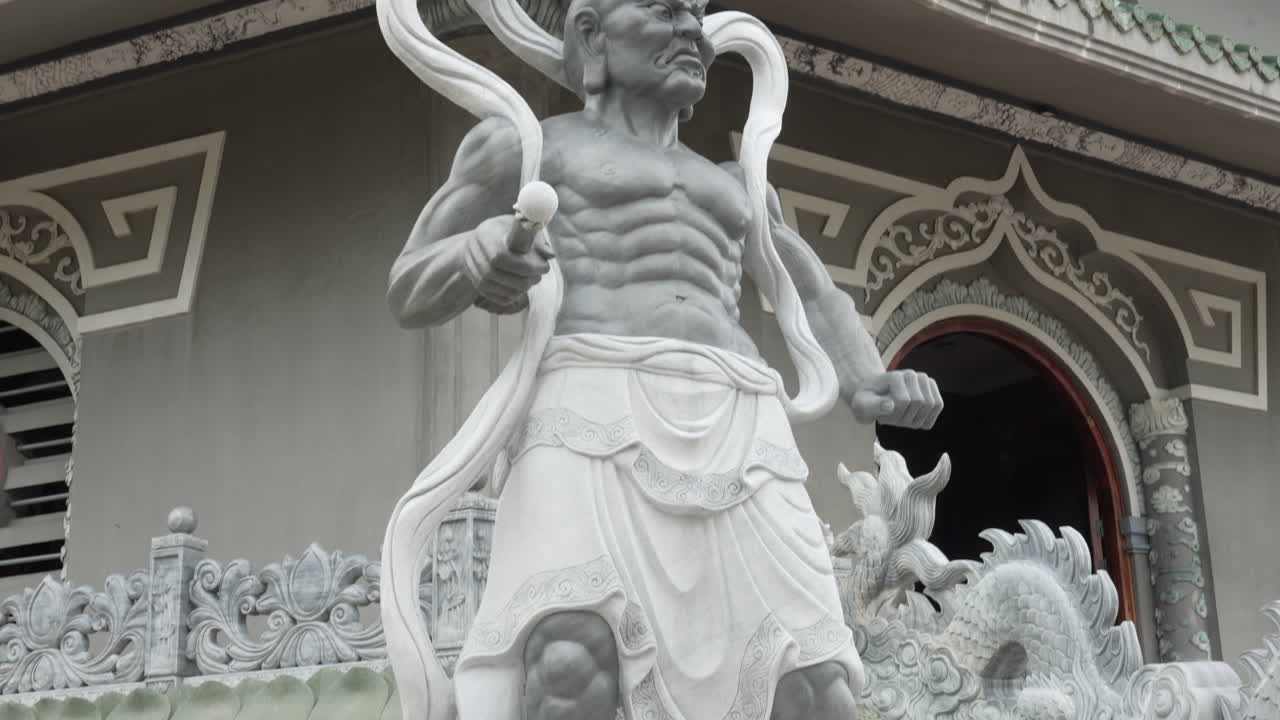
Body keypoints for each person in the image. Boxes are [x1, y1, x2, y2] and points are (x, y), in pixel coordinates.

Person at [387, 1, 943, 718]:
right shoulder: (526, 148)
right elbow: (410, 283)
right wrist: (478, 251)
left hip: (742, 422)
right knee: (568, 660)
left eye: (696, 13)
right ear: (590, 34)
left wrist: (869, 378)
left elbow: (807, 284)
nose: (691, 30)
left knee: (814, 680)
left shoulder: (735, 184)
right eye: (662, 8)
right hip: (587, 407)